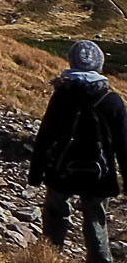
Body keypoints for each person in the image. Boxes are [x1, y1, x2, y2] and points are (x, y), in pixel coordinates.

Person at [28, 41, 127, 263]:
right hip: (100, 175)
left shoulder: (61, 96)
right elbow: (123, 145)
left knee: (55, 214)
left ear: (71, 61)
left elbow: (45, 136)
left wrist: (36, 173)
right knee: (95, 221)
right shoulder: (112, 101)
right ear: (99, 65)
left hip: (61, 170)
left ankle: (49, 256)